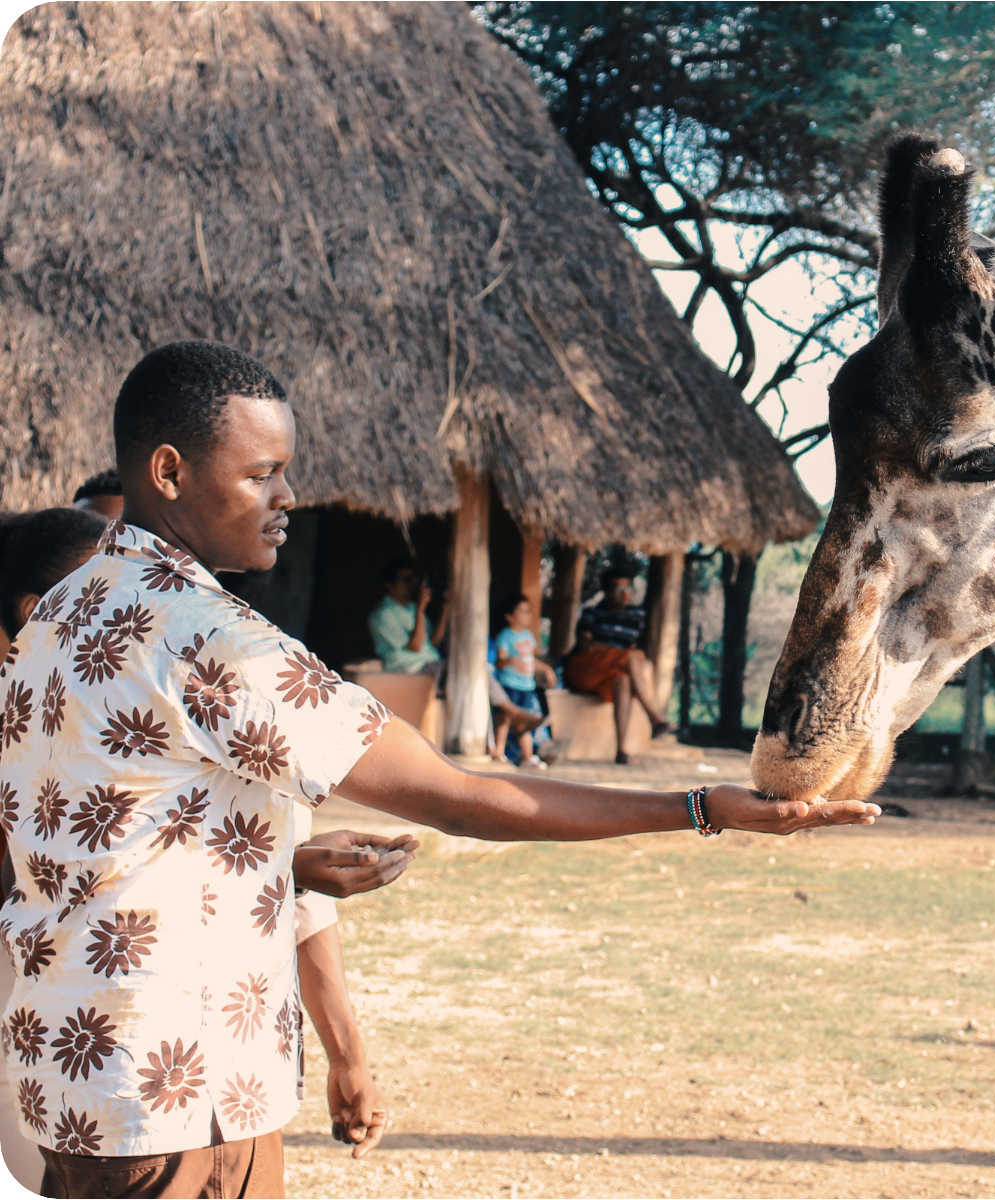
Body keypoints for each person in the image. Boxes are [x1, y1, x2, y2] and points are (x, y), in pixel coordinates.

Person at [0, 339, 877, 1199]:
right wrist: (699, 807)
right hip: (178, 1095)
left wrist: (284, 863)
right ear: (167, 472)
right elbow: (462, 797)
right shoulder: (205, 637)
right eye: (261, 472)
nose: (288, 495)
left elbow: (106, 829)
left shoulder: (61, 613)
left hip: (75, 1077)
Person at [0, 506, 416, 1191]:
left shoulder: (204, 678)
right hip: (130, 1090)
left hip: (187, 1090)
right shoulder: (67, 690)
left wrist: (348, 1051)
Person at [565, 568, 672, 763]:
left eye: (627, 588)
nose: (624, 593)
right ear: (606, 592)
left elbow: (637, 648)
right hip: (585, 670)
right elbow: (584, 644)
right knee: (630, 656)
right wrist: (617, 652)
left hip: (611, 672)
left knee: (623, 681)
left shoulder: (637, 615)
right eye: (618, 588)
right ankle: (654, 716)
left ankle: (621, 750)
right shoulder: (593, 613)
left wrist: (627, 654)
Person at [492, 593, 556, 769]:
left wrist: (546, 669)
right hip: (510, 685)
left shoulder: (528, 636)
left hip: (527, 686)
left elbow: (530, 660)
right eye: (522, 611)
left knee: (524, 722)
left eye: (529, 611)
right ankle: (499, 751)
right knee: (505, 718)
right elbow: (500, 661)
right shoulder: (505, 636)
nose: (528, 614)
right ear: (509, 616)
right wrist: (512, 661)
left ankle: (527, 757)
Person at [368, 557, 448, 676]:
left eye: (414, 579)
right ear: (389, 585)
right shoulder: (383, 614)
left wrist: (446, 609)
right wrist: (420, 610)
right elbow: (415, 646)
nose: (412, 584)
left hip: (431, 664)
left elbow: (433, 643)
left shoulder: (411, 608)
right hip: (411, 670)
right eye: (407, 580)